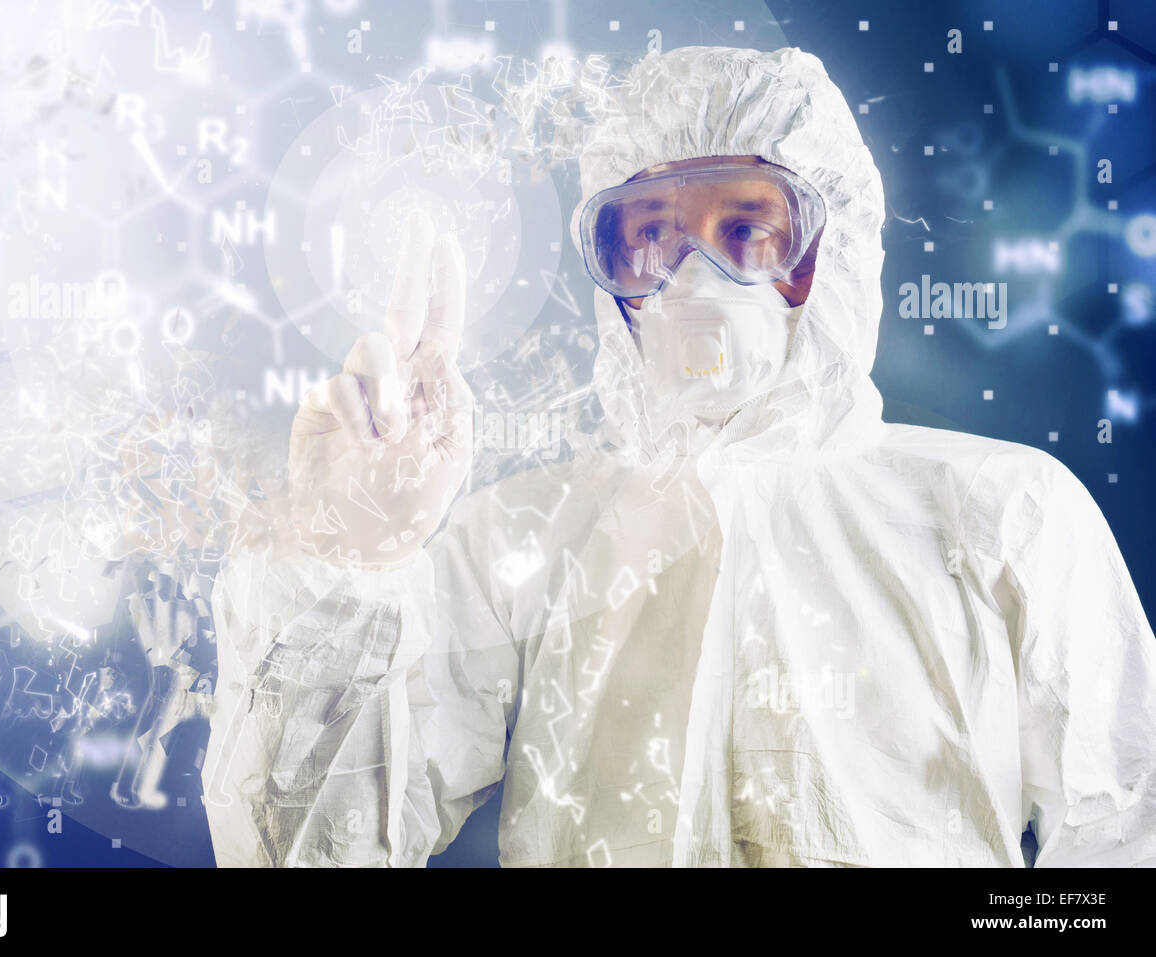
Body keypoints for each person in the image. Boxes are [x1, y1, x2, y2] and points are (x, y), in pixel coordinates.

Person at [201, 46, 1156, 867]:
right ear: (611, 278)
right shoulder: (525, 541)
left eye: (748, 229)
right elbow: (310, 846)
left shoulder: (1000, 511)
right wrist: (341, 560)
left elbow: (1128, 829)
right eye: (651, 237)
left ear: (833, 251)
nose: (697, 278)